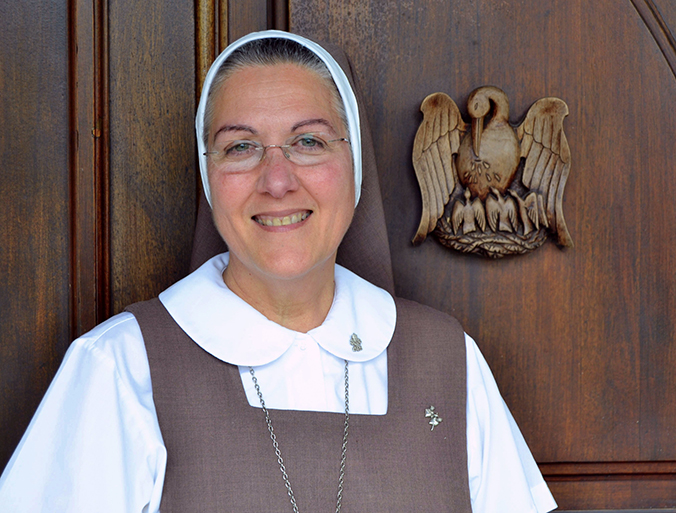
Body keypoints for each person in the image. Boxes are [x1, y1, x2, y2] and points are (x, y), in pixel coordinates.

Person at [0, 30, 557, 512]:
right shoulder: (120, 370)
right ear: (208, 177)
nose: (276, 179)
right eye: (240, 147)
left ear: (354, 165)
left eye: (308, 141)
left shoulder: (448, 361)